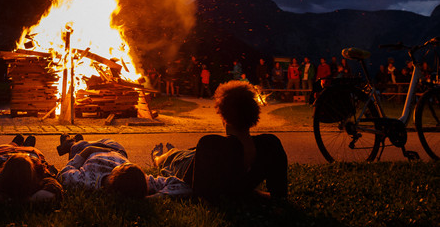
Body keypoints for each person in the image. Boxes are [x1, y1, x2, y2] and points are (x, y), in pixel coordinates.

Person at [152, 81, 287, 202]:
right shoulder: (270, 144)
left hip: (187, 163)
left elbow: (201, 196)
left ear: (222, 116)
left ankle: (158, 157)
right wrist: (248, 192)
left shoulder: (210, 144)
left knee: (174, 156)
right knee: (187, 152)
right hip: (199, 157)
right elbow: (279, 195)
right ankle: (169, 152)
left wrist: (240, 193)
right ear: (255, 113)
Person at [57, 135, 191, 199]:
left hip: (92, 152)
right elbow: (182, 186)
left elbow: (63, 174)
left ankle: (72, 142)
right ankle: (78, 140)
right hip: (116, 148)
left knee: (76, 149)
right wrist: (154, 198)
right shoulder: (143, 181)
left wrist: (85, 153)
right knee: (83, 145)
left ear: (112, 176)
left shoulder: (85, 180)